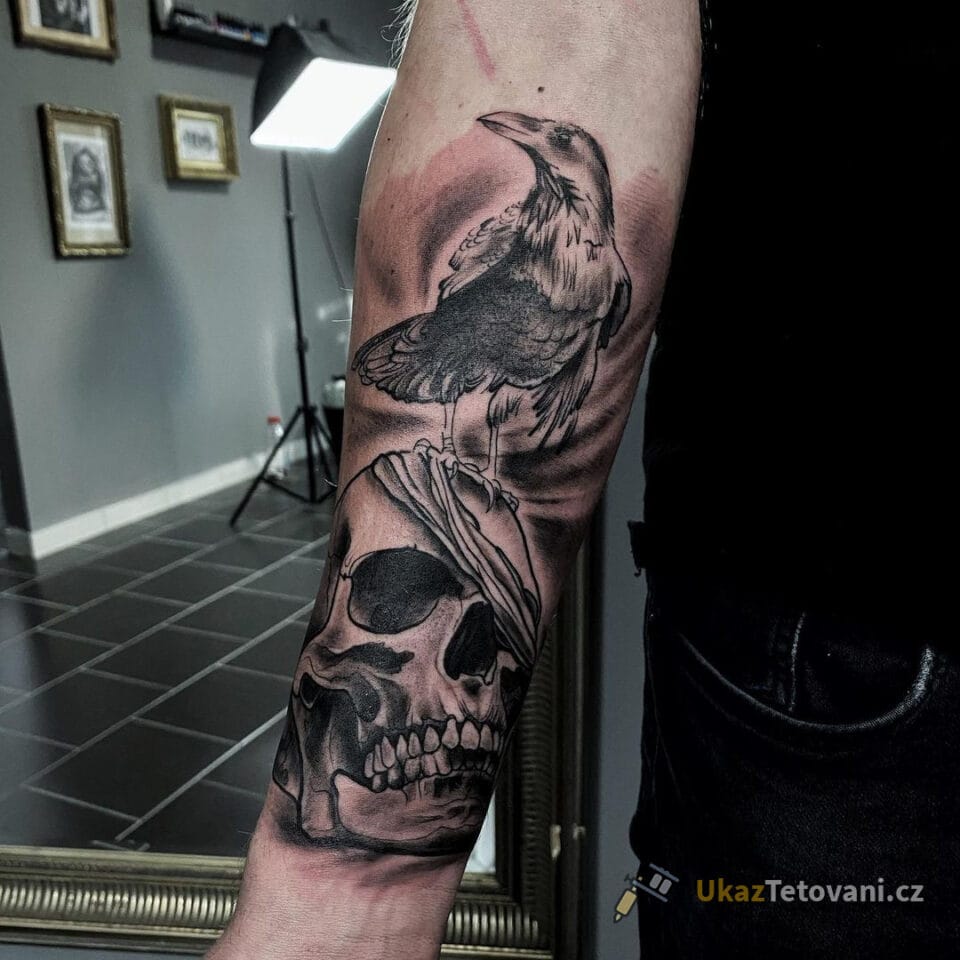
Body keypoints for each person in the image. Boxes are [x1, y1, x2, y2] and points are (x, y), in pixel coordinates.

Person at [209, 1, 955, 957]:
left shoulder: (596, 274)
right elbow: (569, 23)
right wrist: (349, 891)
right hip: (848, 649)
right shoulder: (505, 248)